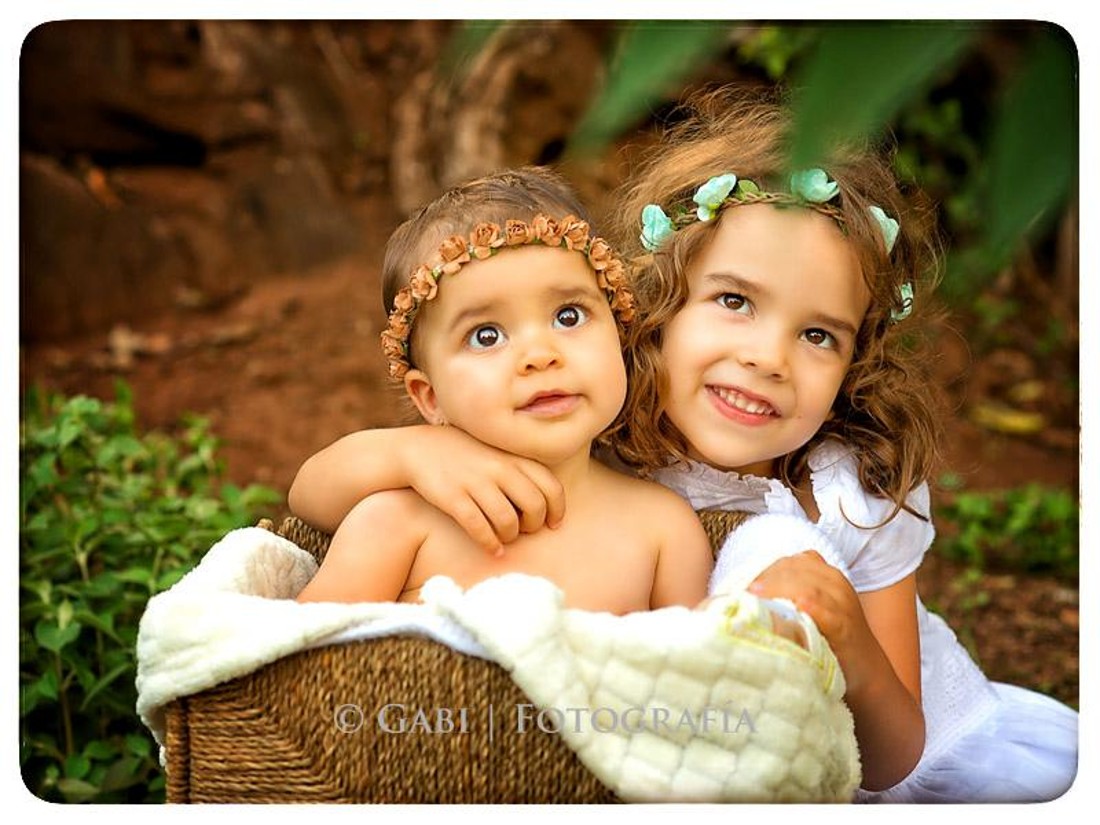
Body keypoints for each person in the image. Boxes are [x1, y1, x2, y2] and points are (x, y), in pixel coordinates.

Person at [288, 89, 1078, 801]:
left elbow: (897, 754)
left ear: (855, 362)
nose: (769, 357)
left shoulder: (853, 493)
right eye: (735, 300)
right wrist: (415, 452)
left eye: (817, 334)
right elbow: (314, 496)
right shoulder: (601, 426)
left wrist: (850, 640)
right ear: (654, 304)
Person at [294, 167, 714, 615]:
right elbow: (306, 664)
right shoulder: (402, 521)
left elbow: (703, 669)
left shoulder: (662, 530)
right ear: (429, 397)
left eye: (568, 316)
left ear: (619, 334)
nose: (540, 354)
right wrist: (408, 452)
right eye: (486, 335)